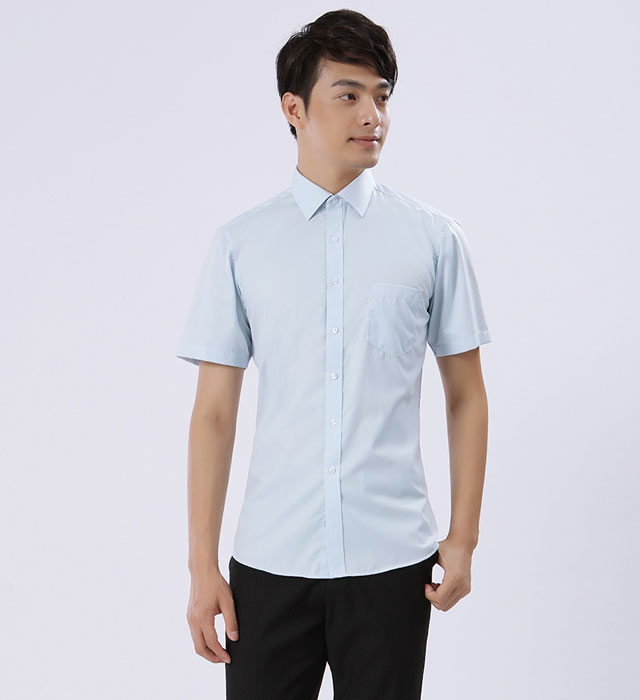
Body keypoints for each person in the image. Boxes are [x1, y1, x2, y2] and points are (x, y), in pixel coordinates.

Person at [175, 9, 492, 700]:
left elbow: (466, 393)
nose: (371, 115)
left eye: (381, 96)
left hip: (393, 563)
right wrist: (202, 566)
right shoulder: (241, 246)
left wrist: (463, 537)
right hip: (269, 561)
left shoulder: (433, 240)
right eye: (348, 94)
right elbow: (215, 415)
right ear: (294, 109)